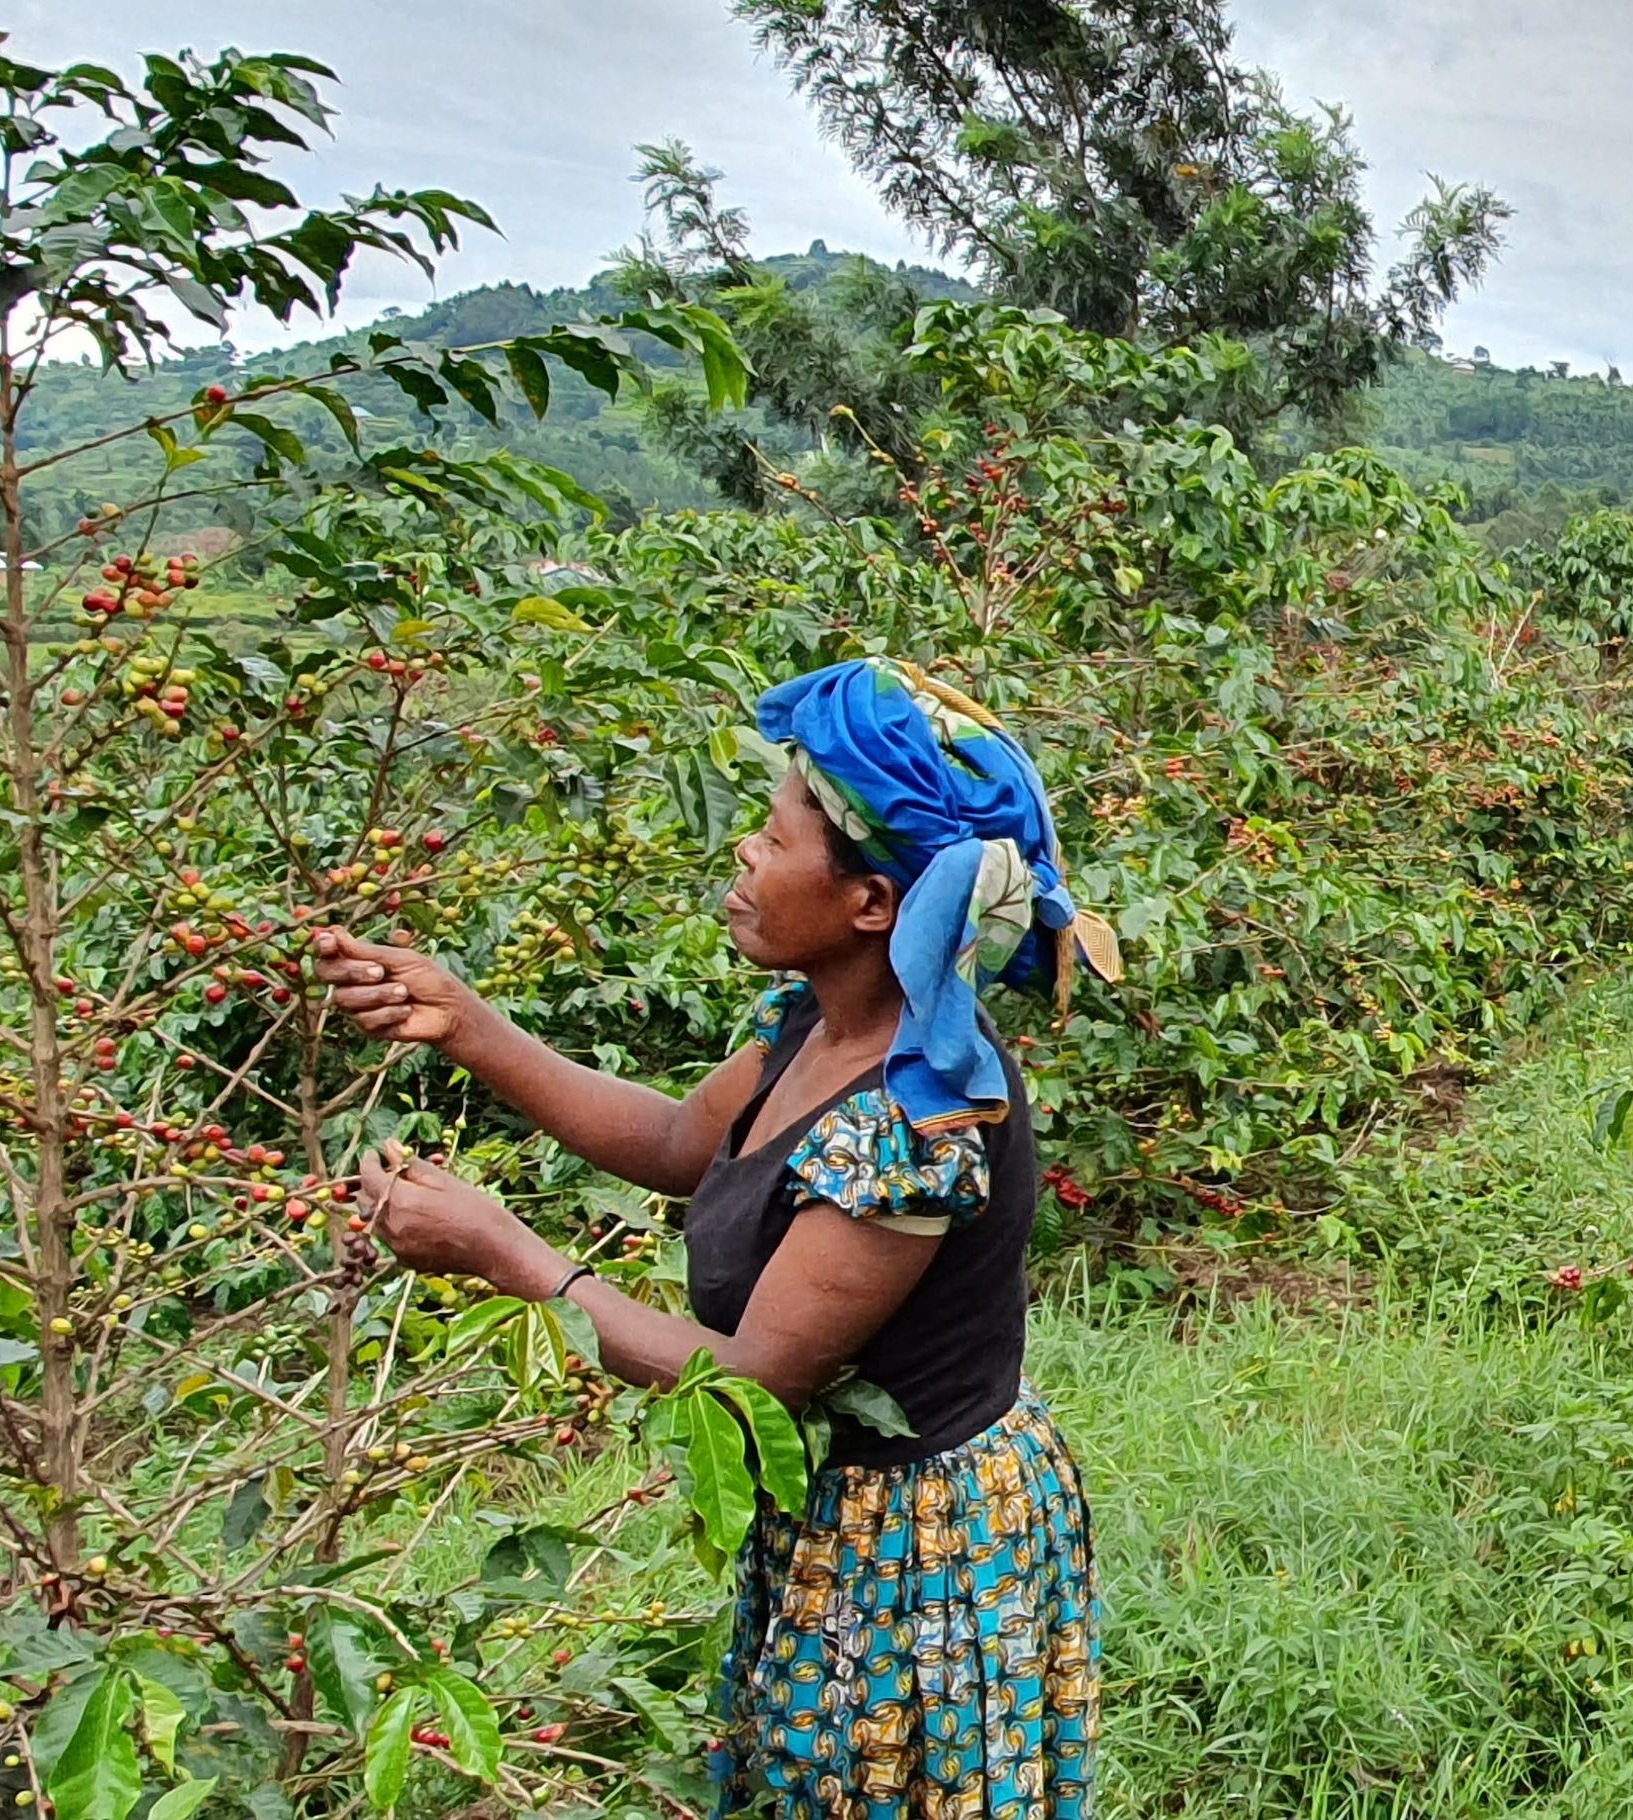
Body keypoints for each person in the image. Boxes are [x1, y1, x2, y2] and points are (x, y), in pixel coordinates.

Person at [318, 658, 1120, 1820]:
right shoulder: (823, 1024)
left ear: (873, 904)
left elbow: (756, 1378)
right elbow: (682, 1139)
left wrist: (506, 1252)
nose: (745, 851)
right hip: (839, 1513)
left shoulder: (914, 1115)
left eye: (776, 835)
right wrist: (468, 1022)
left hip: (919, 1545)